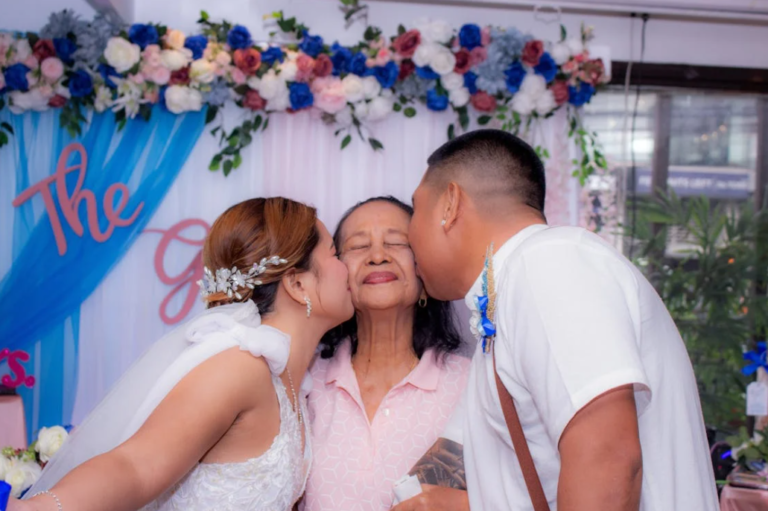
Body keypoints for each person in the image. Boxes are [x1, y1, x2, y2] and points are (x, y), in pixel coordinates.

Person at [398, 129, 719, 510]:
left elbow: (607, 458)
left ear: (450, 203)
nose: (408, 233)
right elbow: (453, 460)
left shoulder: (551, 262)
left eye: (415, 209)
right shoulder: (505, 300)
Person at [9, 197, 354, 511]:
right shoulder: (240, 366)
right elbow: (136, 467)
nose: (348, 268)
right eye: (336, 254)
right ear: (297, 284)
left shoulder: (288, 380)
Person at [301, 197, 470, 511]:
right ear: (336, 275)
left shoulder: (472, 383)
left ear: (424, 276)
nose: (378, 256)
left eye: (396, 243)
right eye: (358, 246)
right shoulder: (305, 384)